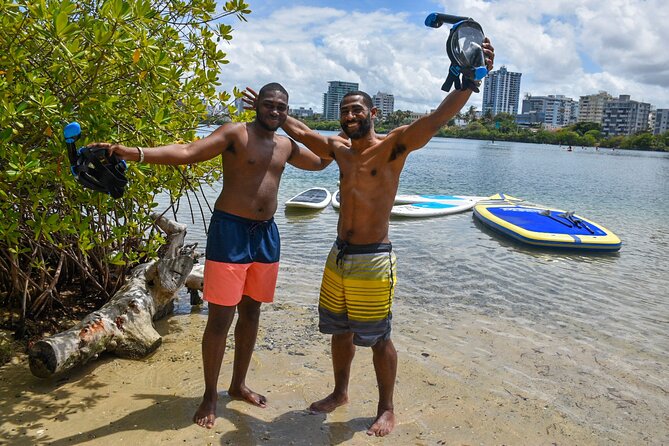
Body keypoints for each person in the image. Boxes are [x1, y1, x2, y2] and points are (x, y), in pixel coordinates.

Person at [245, 39, 494, 437]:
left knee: (379, 338)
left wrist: (470, 80)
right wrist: (270, 107)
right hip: (339, 255)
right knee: (339, 330)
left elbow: (436, 119)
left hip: (374, 258)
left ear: (373, 113)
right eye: (344, 111)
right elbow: (303, 131)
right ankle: (340, 392)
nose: (350, 116)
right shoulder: (340, 150)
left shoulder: (394, 146)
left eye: (357, 110)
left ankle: (386, 407)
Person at [91, 83, 331, 429]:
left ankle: (238, 384)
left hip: (265, 235)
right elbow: (188, 151)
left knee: (251, 311)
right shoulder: (236, 133)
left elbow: (322, 163)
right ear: (256, 106)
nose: (274, 111)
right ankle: (209, 394)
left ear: (287, 110)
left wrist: (296, 125)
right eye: (269, 105)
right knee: (221, 316)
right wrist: (131, 152)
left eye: (281, 107)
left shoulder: (285, 144)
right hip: (230, 232)